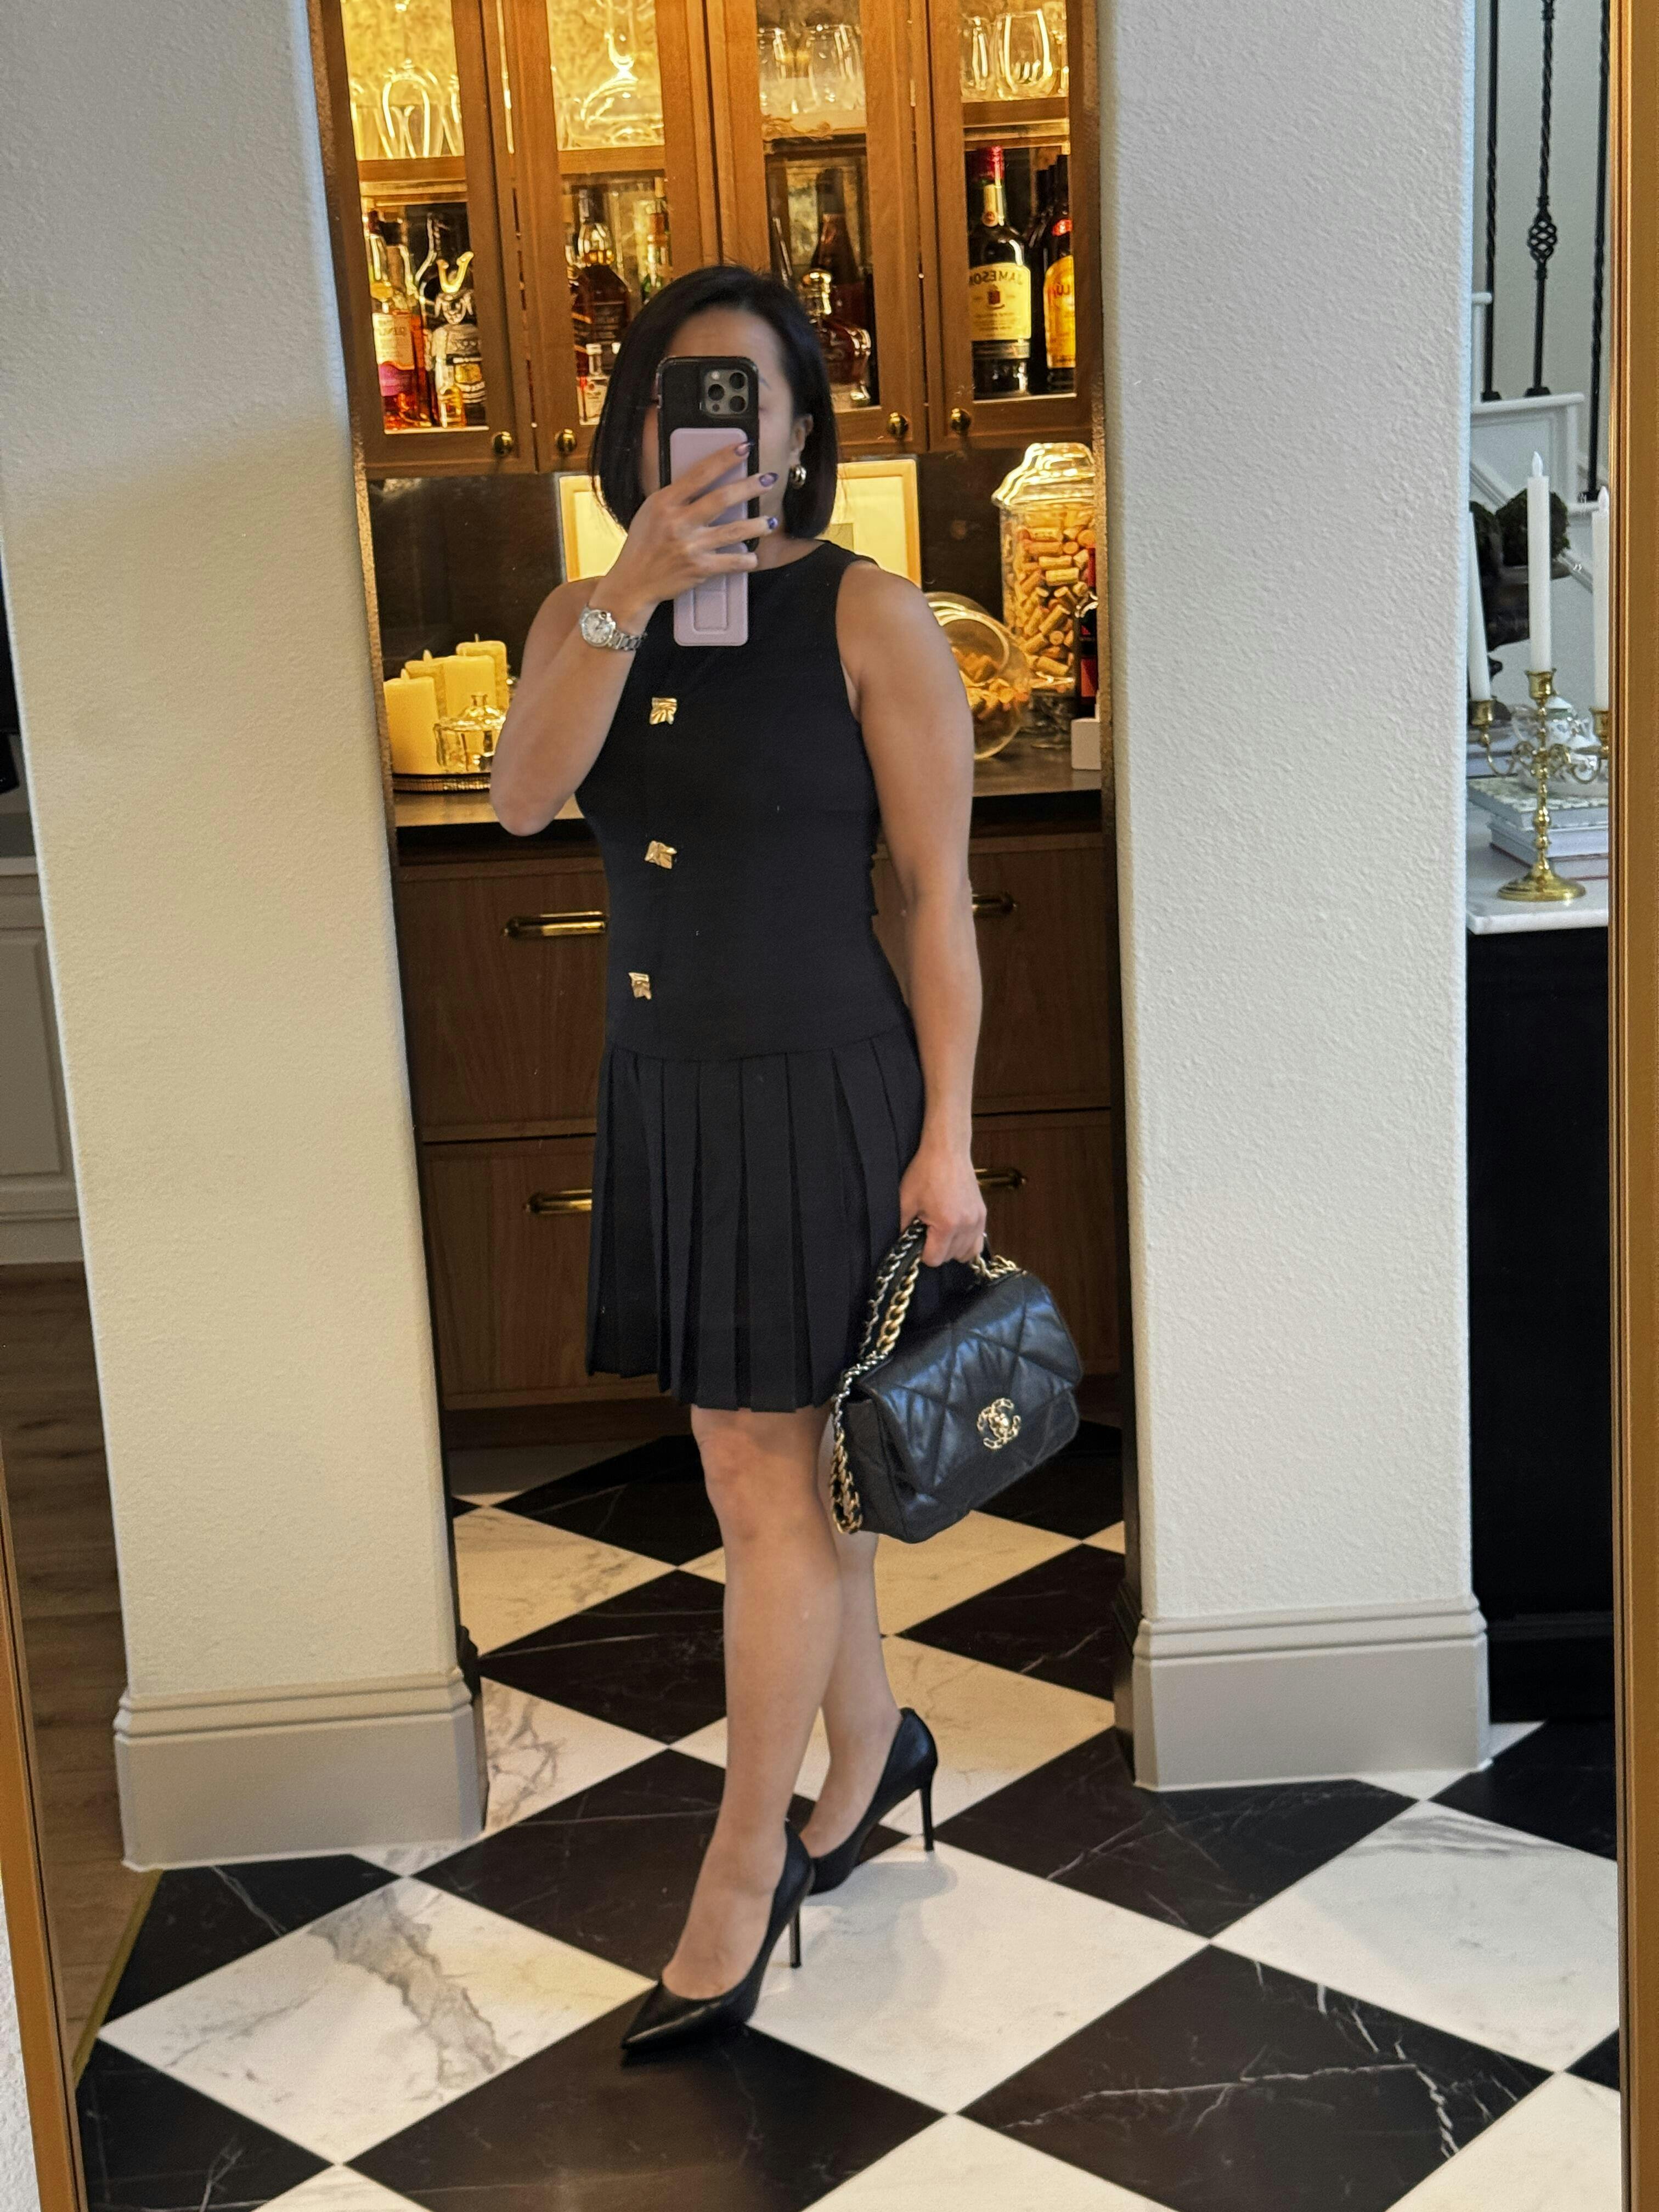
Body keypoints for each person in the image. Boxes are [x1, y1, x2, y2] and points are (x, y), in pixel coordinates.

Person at [489, 263, 984, 2053]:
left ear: (796, 430)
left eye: (744, 395)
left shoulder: (870, 616)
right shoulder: (582, 612)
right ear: (636, 426)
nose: (709, 426)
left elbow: (935, 899)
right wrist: (622, 596)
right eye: (677, 394)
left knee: (766, 1485)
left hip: (825, 1093)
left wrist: (952, 1139)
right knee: (784, 1477)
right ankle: (873, 1750)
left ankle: (741, 1861)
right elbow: (522, 799)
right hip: (671, 1091)